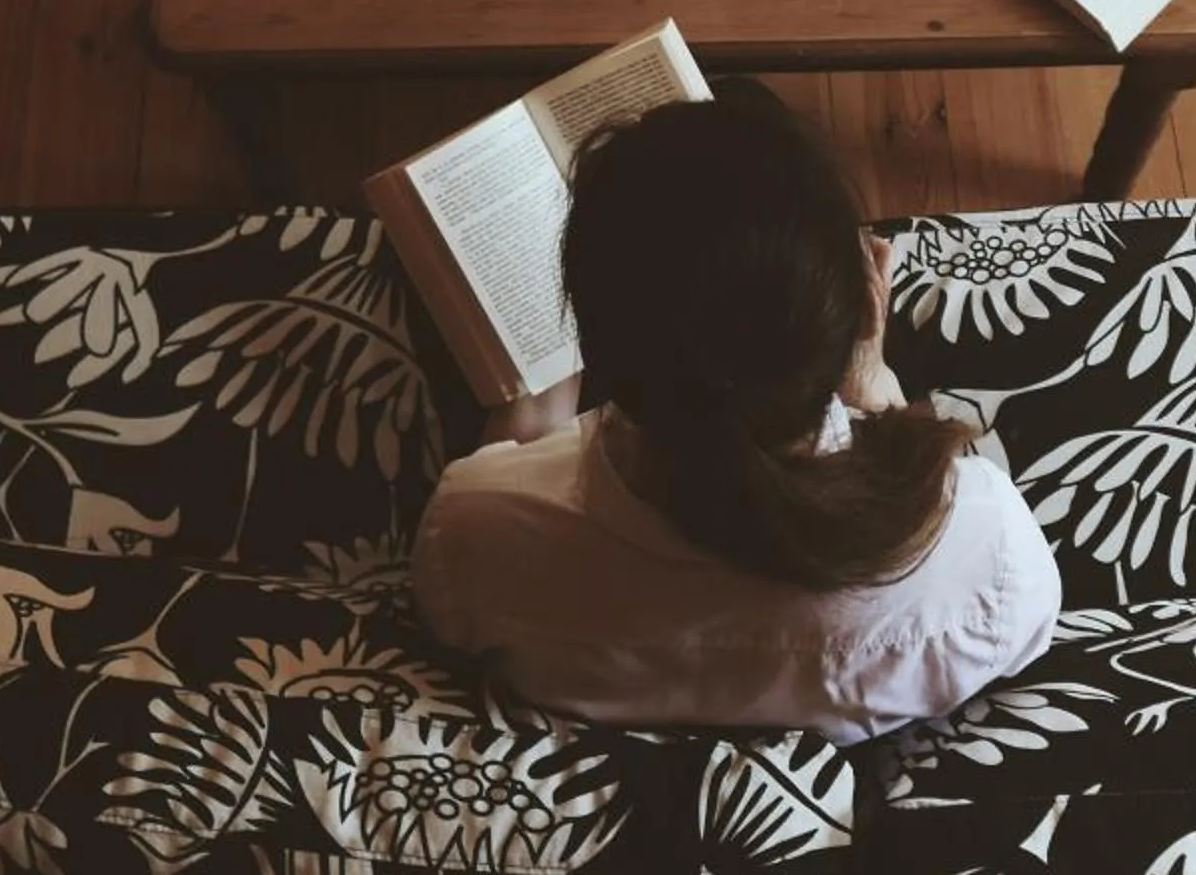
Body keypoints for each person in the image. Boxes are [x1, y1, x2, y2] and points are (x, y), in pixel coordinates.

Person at [411, 87, 1060, 743]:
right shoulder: (983, 552)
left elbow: (458, 592)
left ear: (597, 347)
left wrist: (531, 419)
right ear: (866, 309)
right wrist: (875, 388)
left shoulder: (473, 534)